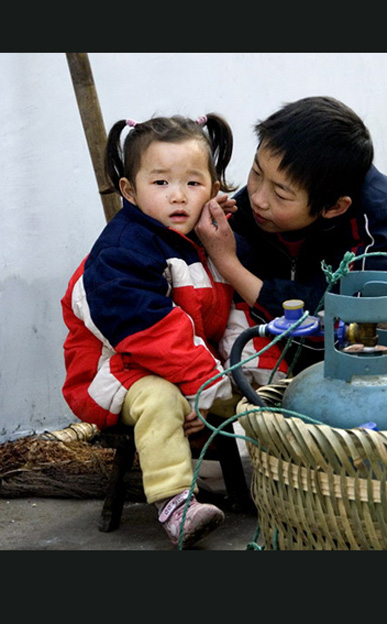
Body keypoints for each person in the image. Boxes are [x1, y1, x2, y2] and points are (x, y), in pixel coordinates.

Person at [60, 113, 256, 549]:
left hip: (183, 365)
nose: (178, 196)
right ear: (129, 191)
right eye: (161, 183)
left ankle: (246, 473)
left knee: (249, 381)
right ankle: (175, 503)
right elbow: (151, 333)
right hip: (116, 370)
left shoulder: (206, 241)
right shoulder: (121, 252)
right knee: (162, 399)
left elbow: (231, 314)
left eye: (192, 182)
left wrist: (247, 367)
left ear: (214, 187)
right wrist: (204, 385)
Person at [196, 95, 387, 374]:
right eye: (256, 172)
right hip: (302, 300)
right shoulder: (258, 202)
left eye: (280, 193)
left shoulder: (380, 221)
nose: (259, 199)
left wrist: (229, 263)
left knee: (364, 340)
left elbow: (342, 314)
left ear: (335, 207)